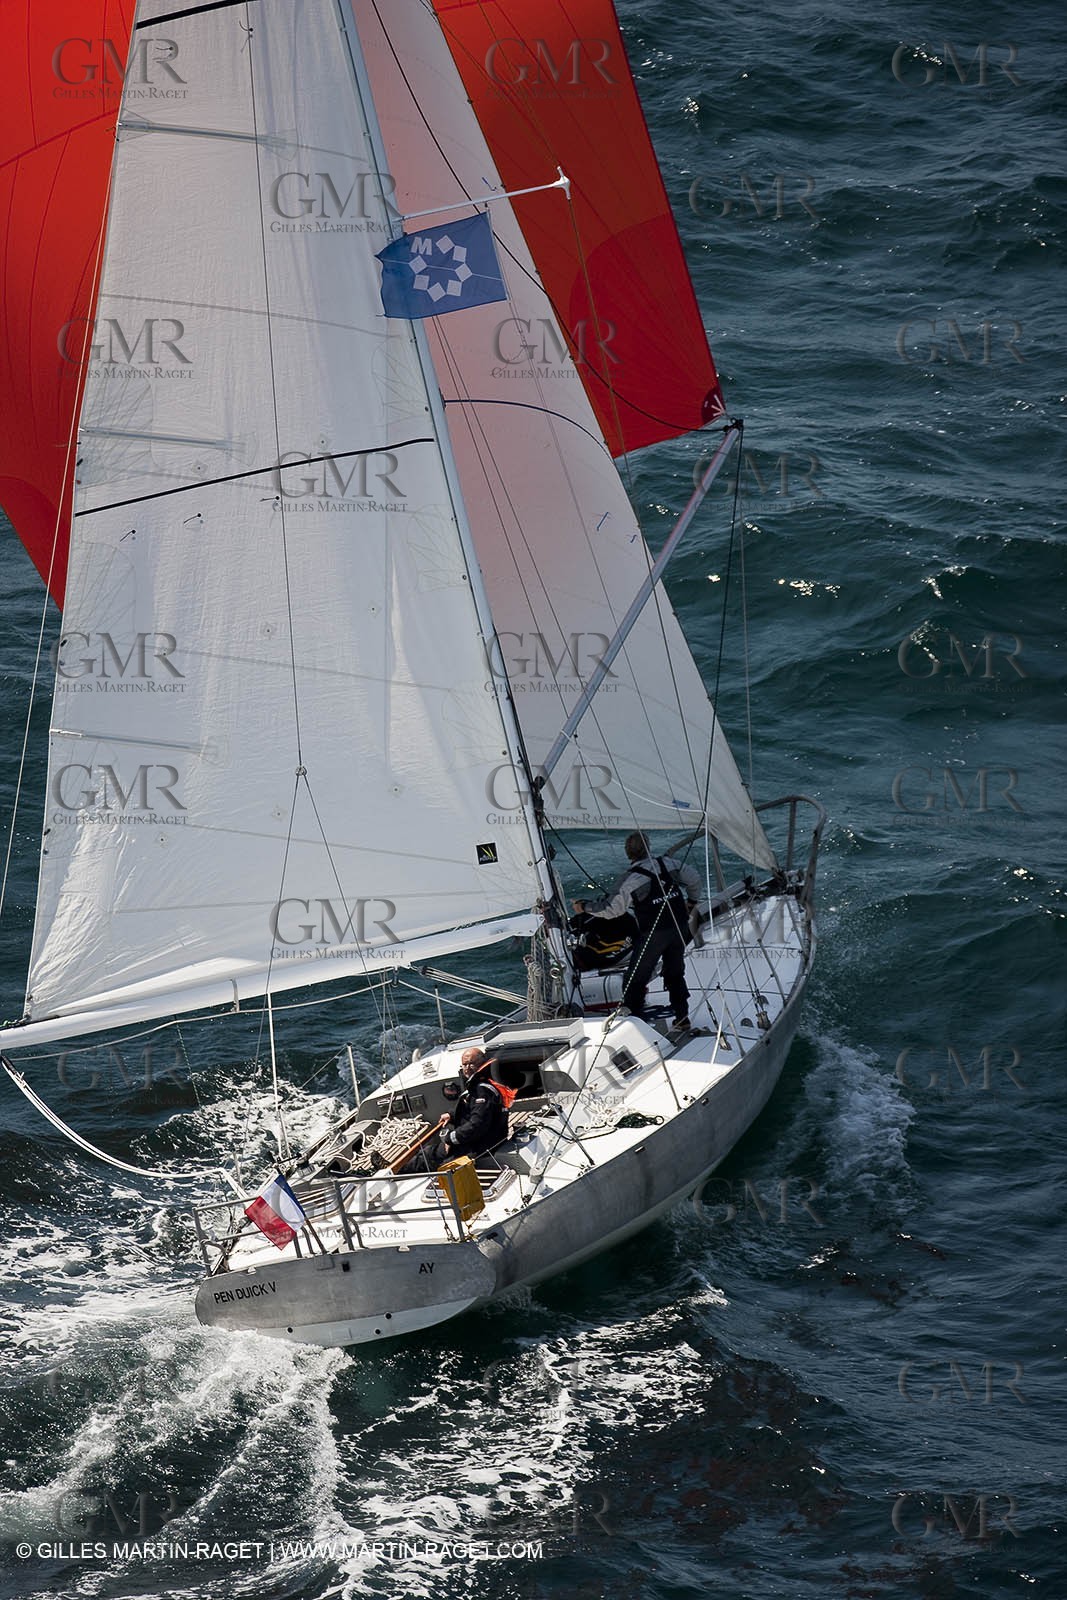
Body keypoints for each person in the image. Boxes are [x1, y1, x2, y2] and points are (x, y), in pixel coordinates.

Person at [573, 832, 706, 1033]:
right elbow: (695, 878)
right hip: (680, 927)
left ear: (628, 854)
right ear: (648, 847)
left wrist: (585, 907)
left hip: (654, 934)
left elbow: (612, 910)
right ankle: (682, 1018)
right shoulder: (668, 864)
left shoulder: (630, 879)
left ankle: (635, 1025)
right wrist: (692, 902)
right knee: (675, 972)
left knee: (635, 977)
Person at [434, 1047, 513, 1165]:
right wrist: (451, 1115)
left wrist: (450, 1139)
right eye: (464, 1064)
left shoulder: (482, 1090)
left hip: (480, 1147)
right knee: (428, 1154)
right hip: (482, 1141)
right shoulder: (484, 1082)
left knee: (427, 1158)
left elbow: (477, 1124)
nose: (467, 1068)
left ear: (482, 1063)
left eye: (471, 1064)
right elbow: (473, 1109)